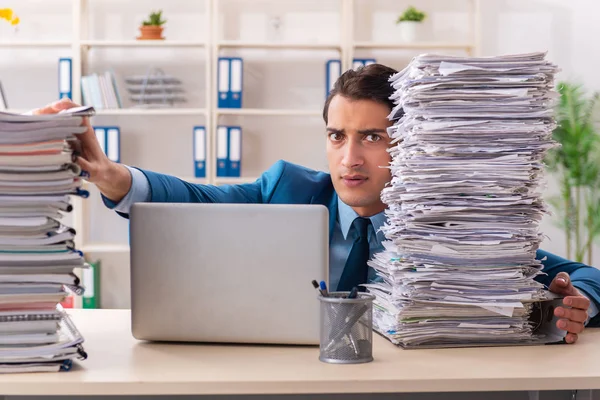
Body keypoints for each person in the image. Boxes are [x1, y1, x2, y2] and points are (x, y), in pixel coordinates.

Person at [35, 64, 600, 343]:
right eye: (337, 136)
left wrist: (581, 302)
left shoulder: (446, 223)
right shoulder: (288, 189)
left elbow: (582, 274)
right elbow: (198, 197)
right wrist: (111, 176)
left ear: (412, 144)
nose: (349, 158)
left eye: (373, 137)